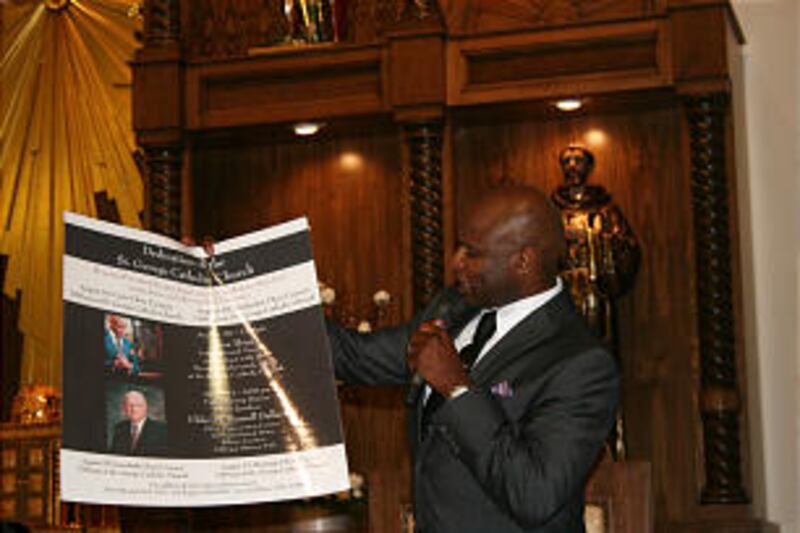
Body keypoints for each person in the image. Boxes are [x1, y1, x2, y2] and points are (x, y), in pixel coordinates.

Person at [326, 185, 620, 532]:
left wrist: (458, 388)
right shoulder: (455, 308)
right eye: (459, 247)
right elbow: (356, 355)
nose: (456, 262)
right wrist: (265, 313)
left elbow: (534, 493)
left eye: (472, 252)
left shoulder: (580, 362)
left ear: (523, 261)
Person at [110, 390, 167, 456]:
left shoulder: (160, 430)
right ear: (124, 408)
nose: (134, 409)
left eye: (138, 405)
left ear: (146, 407)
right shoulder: (120, 428)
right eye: (130, 405)